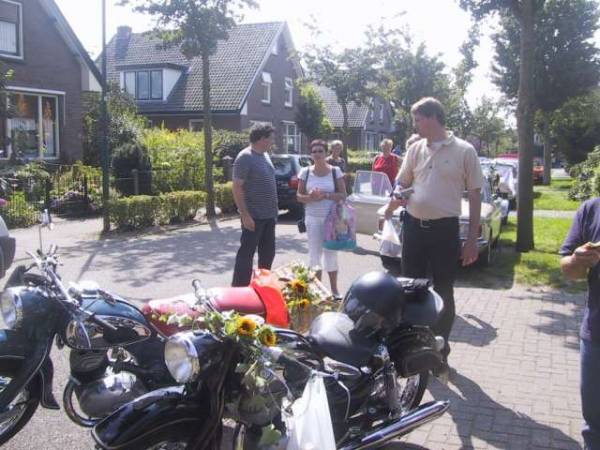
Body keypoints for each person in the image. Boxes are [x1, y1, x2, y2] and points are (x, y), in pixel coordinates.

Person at [384, 97, 483, 374]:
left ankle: (440, 351)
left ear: (432, 118)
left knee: (443, 290)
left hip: (444, 230)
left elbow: (475, 195)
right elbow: (402, 182)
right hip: (413, 228)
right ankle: (414, 351)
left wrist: (472, 239)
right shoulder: (415, 148)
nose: (415, 125)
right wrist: (394, 197)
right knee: (410, 290)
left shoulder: (464, 151)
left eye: (417, 119)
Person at [559, 197, 600, 450]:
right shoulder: (592, 209)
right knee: (594, 428)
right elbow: (568, 269)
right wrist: (577, 260)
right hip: (596, 335)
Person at [297, 139, 347, 298]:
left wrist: (325, 195)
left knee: (331, 253)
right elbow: (299, 196)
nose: (317, 154)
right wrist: (310, 197)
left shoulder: (335, 171)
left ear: (326, 153)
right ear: (311, 154)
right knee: (314, 254)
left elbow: (343, 195)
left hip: (331, 219)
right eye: (314, 151)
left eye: (320, 151)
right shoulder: (305, 172)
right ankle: (318, 290)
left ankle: (334, 290)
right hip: (312, 219)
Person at [231, 124, 278, 287]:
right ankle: (239, 290)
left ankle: (263, 288)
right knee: (246, 254)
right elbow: (237, 187)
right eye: (271, 138)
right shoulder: (245, 157)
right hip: (254, 216)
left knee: (267, 254)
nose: (273, 141)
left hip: (269, 216)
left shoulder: (265, 155)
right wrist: (245, 215)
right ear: (262, 138)